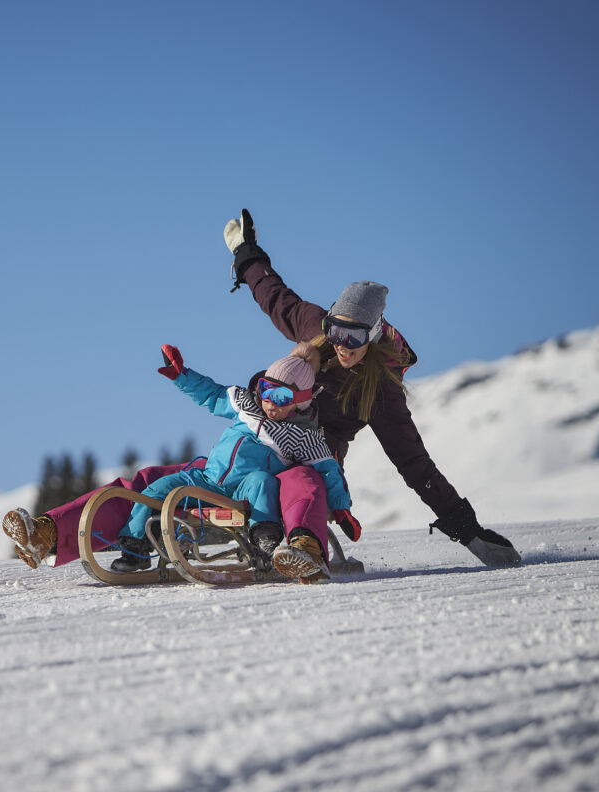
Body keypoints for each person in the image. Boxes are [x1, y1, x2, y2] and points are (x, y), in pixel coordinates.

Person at [223, 208, 521, 566]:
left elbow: (413, 462)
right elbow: (274, 296)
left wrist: (469, 531)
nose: (342, 345)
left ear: (374, 334)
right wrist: (246, 252)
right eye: (337, 332)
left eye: (354, 337)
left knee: (301, 478)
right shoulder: (314, 328)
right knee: (236, 459)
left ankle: (298, 541)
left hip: (319, 452)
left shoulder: (379, 389)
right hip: (272, 428)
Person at [104, 344, 361, 583]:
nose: (270, 402)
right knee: (158, 488)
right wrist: (181, 375)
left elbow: (329, 470)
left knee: (263, 481)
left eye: (282, 397)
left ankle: (266, 544)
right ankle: (134, 548)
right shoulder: (246, 404)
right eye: (266, 390)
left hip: (243, 491)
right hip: (207, 480)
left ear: (301, 400)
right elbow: (212, 394)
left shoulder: (302, 436)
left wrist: (341, 509)